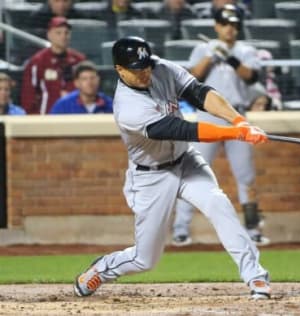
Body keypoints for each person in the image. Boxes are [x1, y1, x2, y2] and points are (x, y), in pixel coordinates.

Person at [73, 36, 271, 300]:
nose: (144, 72)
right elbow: (182, 129)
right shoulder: (128, 107)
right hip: (151, 176)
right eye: (135, 68)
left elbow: (199, 93)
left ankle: (255, 276)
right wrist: (235, 133)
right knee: (146, 260)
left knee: (218, 204)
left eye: (145, 65)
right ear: (119, 70)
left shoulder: (160, 67)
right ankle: (103, 267)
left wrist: (238, 120)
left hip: (185, 160)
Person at [171, 4, 269, 247]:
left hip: (237, 115)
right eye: (225, 24)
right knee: (192, 172)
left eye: (234, 25)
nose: (230, 29)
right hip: (207, 116)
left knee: (245, 175)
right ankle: (181, 228)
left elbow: (252, 77)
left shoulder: (246, 51)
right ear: (216, 26)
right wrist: (212, 56)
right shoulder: (204, 48)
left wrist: (232, 58)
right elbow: (193, 78)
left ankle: (253, 228)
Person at [21, 17, 86, 114]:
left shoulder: (79, 60)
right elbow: (28, 95)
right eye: (58, 33)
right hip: (47, 117)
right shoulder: (37, 61)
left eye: (66, 33)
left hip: (75, 116)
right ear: (49, 35)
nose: (63, 36)